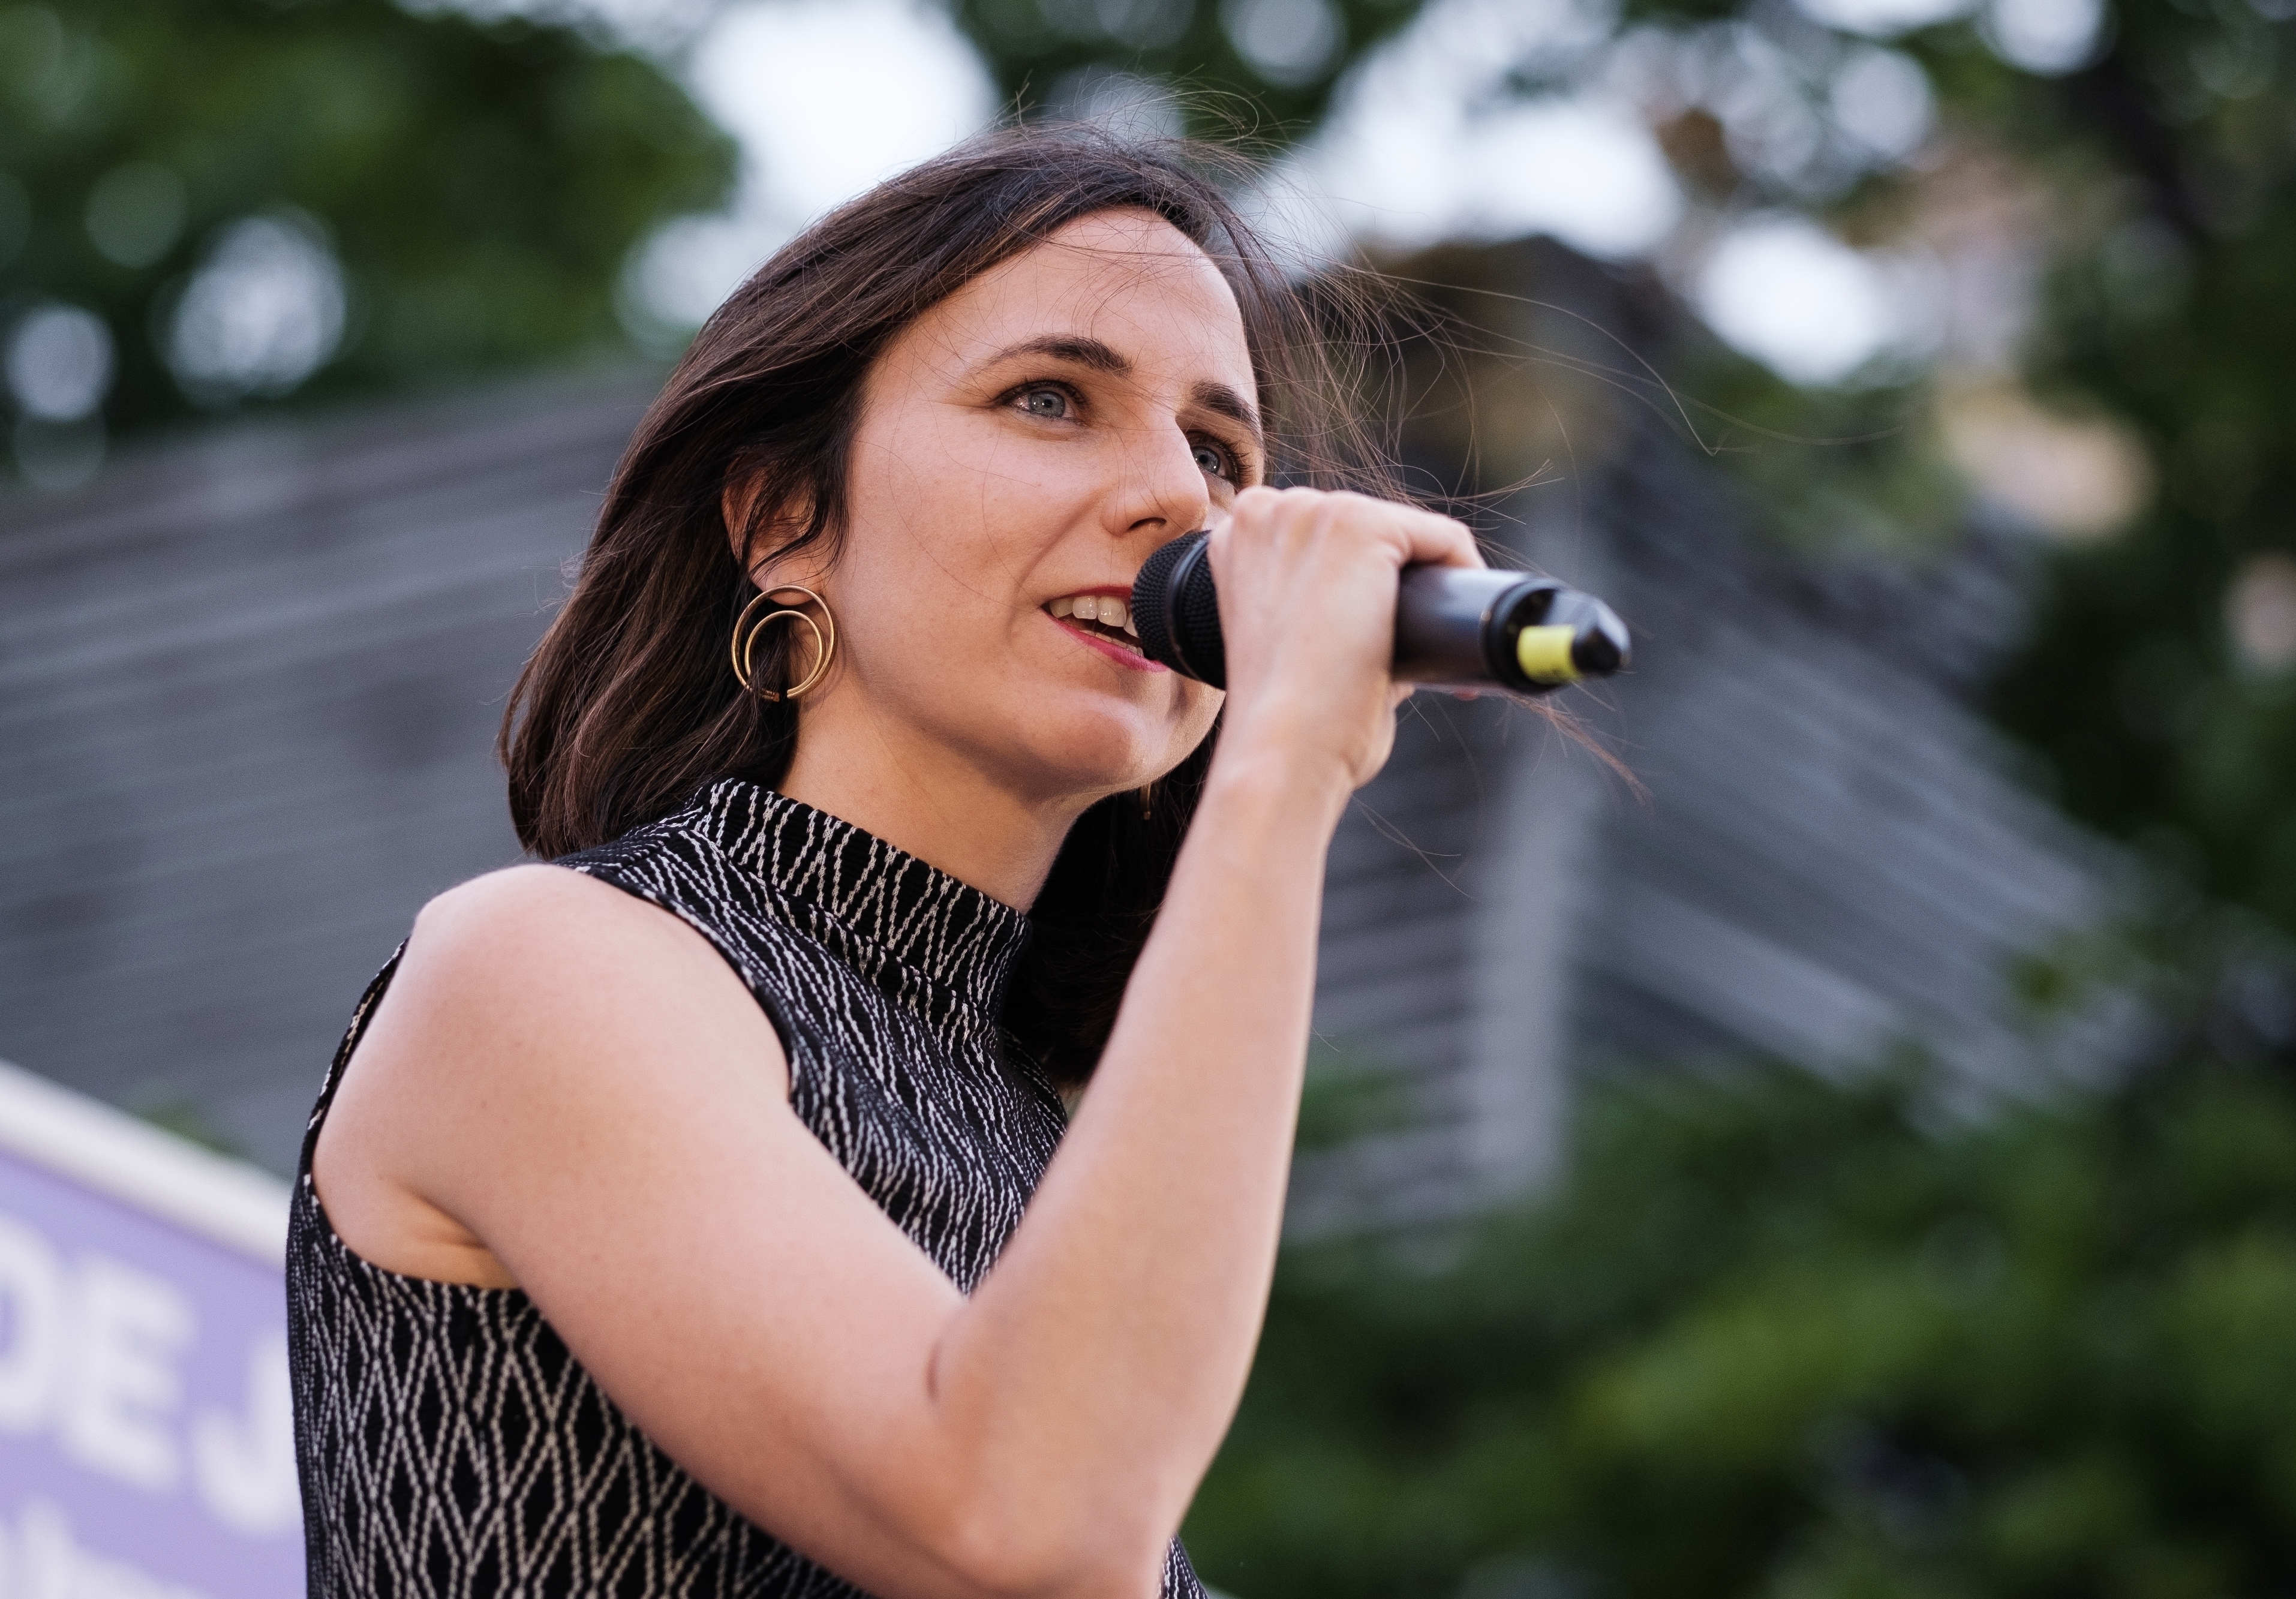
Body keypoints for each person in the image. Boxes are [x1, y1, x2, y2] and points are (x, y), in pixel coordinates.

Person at [288, 127, 1481, 1598]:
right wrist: (1285, 761)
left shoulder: (1049, 1148)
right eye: (1050, 398)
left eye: (1222, 451)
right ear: (783, 519)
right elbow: (1019, 1521)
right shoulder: (544, 969)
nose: (1182, 500)